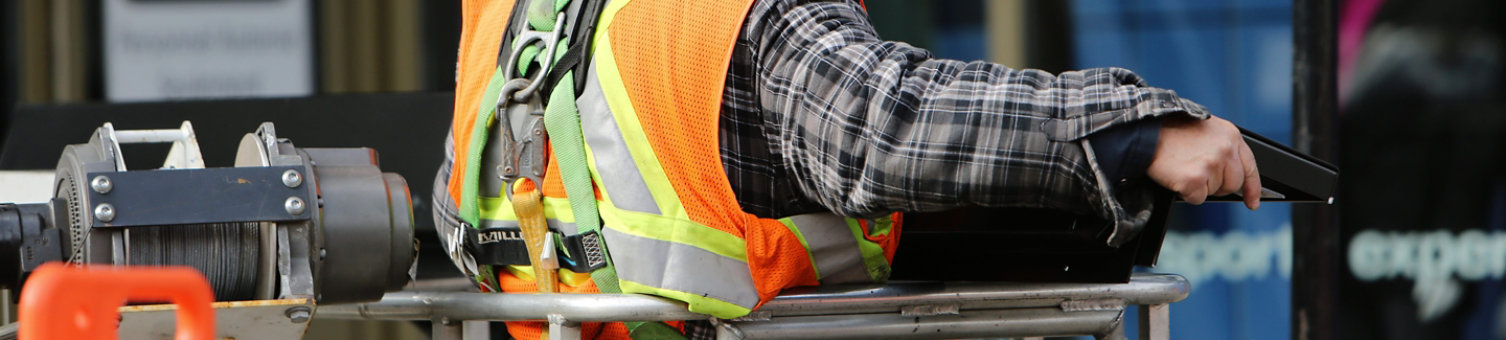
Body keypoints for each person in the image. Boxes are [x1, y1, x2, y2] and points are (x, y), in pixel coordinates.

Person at [433, 0, 1261, 338]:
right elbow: (883, 127)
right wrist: (1137, 134)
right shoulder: (746, 14)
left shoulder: (522, 18)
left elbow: (460, 209)